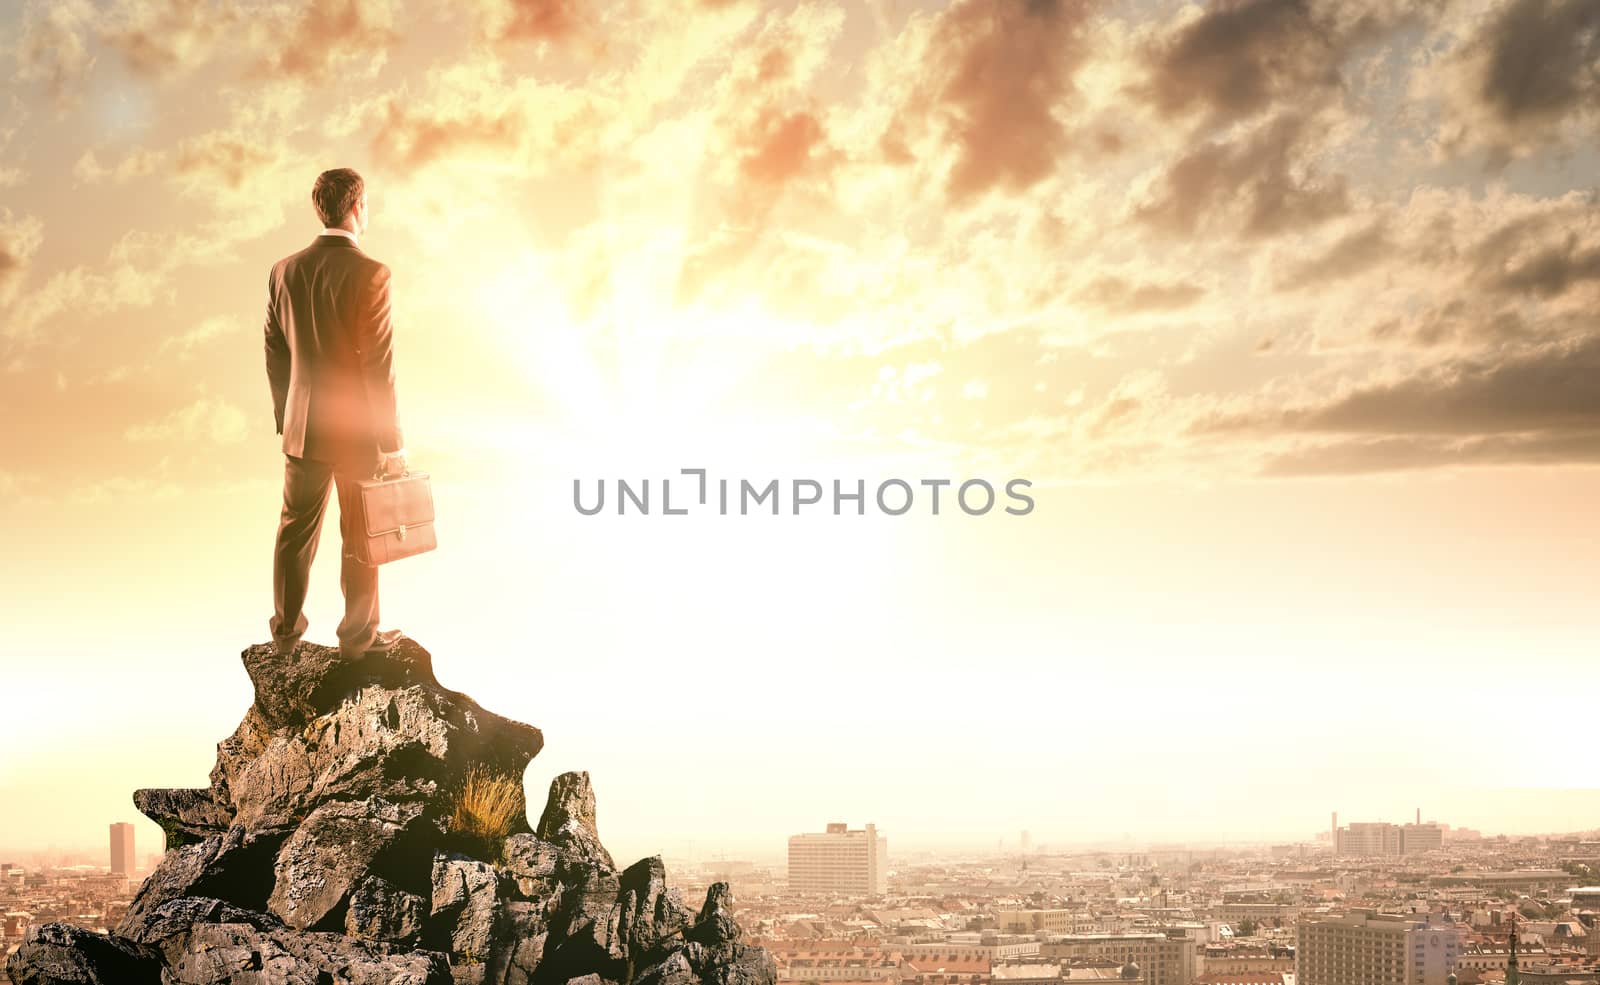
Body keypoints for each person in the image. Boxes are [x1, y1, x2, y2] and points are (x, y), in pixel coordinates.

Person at [264, 167, 408, 660]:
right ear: (357, 207)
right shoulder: (372, 274)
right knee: (361, 535)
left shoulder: (284, 271)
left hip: (303, 429)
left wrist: (289, 414)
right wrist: (392, 443)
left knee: (293, 533)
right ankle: (357, 640)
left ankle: (285, 635)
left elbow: (275, 350)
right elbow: (378, 366)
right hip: (356, 434)